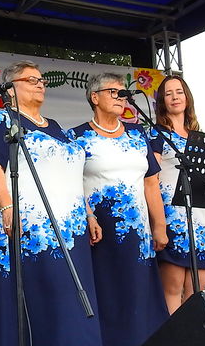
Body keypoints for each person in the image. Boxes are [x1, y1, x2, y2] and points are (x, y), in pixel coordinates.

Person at [0, 60, 102, 346]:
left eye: (41, 79)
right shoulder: (3, 120)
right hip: (31, 229)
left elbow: (70, 175)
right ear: (10, 89)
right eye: (30, 80)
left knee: (73, 302)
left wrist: (88, 214)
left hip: (70, 232)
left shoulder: (57, 127)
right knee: (41, 302)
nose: (40, 83)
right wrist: (8, 208)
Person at [68, 73, 169, 345]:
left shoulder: (138, 135)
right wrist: (89, 215)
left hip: (138, 234)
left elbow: (151, 183)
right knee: (108, 297)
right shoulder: (76, 137)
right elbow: (70, 183)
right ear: (94, 97)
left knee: (140, 297)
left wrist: (159, 226)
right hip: (99, 234)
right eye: (113, 92)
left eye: (123, 92)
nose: (120, 97)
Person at [149, 75, 205, 312]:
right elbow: (152, 178)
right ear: (162, 102)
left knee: (198, 291)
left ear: (187, 97)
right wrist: (159, 224)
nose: (175, 97)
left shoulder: (201, 138)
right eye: (168, 93)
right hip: (173, 217)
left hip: (201, 221)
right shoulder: (157, 134)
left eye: (179, 91)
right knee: (173, 289)